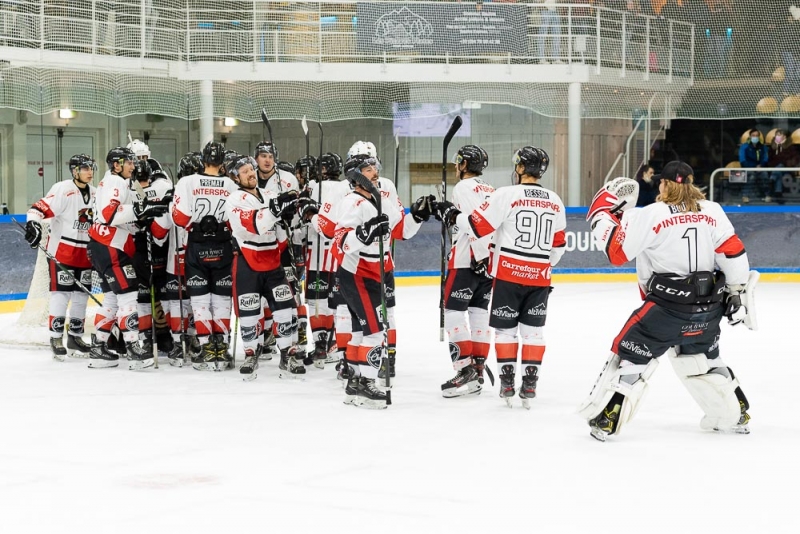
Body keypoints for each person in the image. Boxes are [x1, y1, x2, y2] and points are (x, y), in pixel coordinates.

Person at [579, 160, 755, 441]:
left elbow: (617, 253)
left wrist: (604, 214)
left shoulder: (651, 214)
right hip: (708, 310)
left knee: (632, 355)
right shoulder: (712, 210)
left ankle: (607, 419)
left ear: (664, 184)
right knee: (704, 358)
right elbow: (733, 252)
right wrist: (736, 293)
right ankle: (737, 413)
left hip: (666, 309)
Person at [434, 146, 566, 409]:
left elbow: (478, 226)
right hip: (538, 277)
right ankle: (527, 384)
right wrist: (541, 267)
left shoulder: (506, 193)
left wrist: (452, 216)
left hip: (499, 270)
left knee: (503, 330)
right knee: (532, 332)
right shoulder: (555, 200)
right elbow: (558, 245)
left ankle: (494, 379)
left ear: (520, 168)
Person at [334, 154, 430, 408]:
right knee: (375, 332)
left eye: (375, 168)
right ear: (355, 175)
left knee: (360, 332)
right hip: (358, 275)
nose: (375, 173)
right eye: (368, 169)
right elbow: (340, 241)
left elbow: (400, 231)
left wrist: (416, 217)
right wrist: (363, 234)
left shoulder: (381, 199)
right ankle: (366, 384)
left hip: (376, 274)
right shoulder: (352, 202)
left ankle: (354, 384)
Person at [87, 147, 170, 370]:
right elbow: (109, 214)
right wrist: (141, 209)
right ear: (117, 165)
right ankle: (134, 348)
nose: (133, 166)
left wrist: (147, 210)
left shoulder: (117, 182)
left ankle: (98, 348)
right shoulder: (115, 182)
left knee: (112, 299)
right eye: (129, 162)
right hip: (111, 245)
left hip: (104, 245)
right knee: (128, 295)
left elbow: (127, 215)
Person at [225, 155, 302, 379]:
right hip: (248, 261)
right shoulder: (235, 199)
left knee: (285, 309)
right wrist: (275, 210)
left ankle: (288, 354)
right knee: (249, 313)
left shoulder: (269, 194)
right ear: (236, 178)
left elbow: (282, 230)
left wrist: (289, 214)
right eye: (244, 172)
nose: (250, 173)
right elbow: (256, 224)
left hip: (273, 261)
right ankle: (251, 354)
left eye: (251, 169)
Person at [172, 141, 237, 371]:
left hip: (197, 246)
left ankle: (207, 348)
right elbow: (236, 219)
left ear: (202, 160)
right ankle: (222, 347)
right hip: (223, 246)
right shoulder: (231, 184)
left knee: (200, 300)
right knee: (221, 299)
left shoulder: (187, 182)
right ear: (222, 162)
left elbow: (179, 217)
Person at [25, 154, 97, 361]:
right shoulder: (63, 189)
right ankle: (56, 337)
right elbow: (38, 208)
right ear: (75, 171)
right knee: (61, 294)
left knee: (82, 295)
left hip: (86, 253)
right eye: (85, 168)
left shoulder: (95, 193)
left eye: (91, 168)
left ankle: (75, 336)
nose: (90, 172)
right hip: (62, 251)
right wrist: (33, 223)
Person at [437, 145, 495, 398]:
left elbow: (475, 223)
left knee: (453, 312)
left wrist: (479, 256)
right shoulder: (491, 189)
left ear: (464, 164)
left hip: (467, 259)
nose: (455, 165)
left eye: (458, 161)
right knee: (479, 312)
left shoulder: (463, 187)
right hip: (488, 261)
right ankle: (477, 370)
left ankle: (464, 369)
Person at [297, 152, 348, 369]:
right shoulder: (347, 187)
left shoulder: (313, 187)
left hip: (316, 254)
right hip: (338, 254)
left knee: (316, 301)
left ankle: (320, 345)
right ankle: (334, 343)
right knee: (335, 301)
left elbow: (302, 219)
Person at [164, 152, 204, 366]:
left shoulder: (200, 192)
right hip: (179, 256)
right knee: (181, 302)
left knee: (196, 301)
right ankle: (180, 341)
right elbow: (161, 229)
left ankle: (191, 338)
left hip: (197, 255)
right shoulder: (174, 194)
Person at [738, 128, 768, 203]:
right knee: (752, 176)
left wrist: (760, 166)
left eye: (757, 135)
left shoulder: (763, 147)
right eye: (753, 135)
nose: (755, 137)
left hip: (760, 168)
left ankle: (766, 195)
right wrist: (754, 167)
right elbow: (742, 160)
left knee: (765, 175)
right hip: (748, 168)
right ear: (750, 136)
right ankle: (745, 196)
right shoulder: (744, 146)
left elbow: (765, 158)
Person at [766, 128, 796, 204]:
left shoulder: (790, 147)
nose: (777, 136)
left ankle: (771, 184)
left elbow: (793, 159)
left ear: (784, 136)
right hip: (775, 170)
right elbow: (769, 160)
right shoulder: (772, 148)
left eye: (779, 135)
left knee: (780, 166)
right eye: (776, 135)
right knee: (778, 173)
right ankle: (778, 194)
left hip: (787, 169)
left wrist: (782, 161)